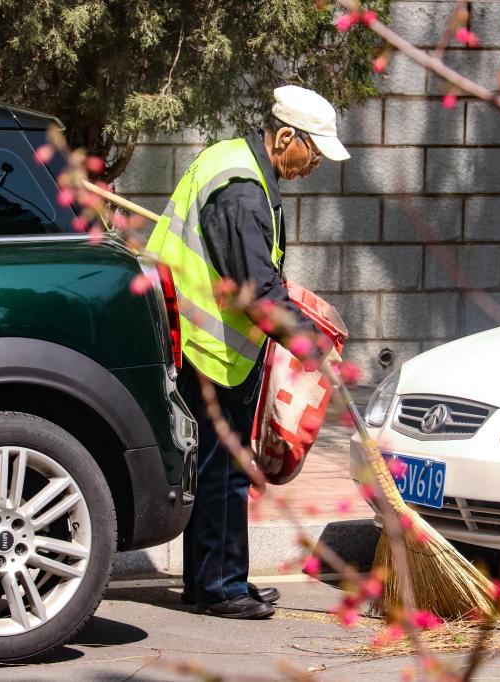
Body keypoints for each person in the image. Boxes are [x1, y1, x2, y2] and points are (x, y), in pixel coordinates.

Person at [145, 85, 349, 619]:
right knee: (221, 471)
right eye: (315, 151)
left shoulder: (234, 164)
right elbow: (257, 293)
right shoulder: (240, 191)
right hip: (206, 349)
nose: (316, 164)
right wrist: (312, 346)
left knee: (225, 470)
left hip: (206, 344)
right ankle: (219, 589)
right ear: (286, 136)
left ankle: (218, 580)